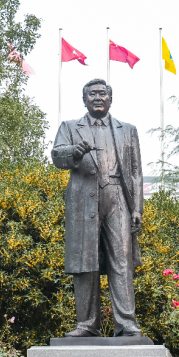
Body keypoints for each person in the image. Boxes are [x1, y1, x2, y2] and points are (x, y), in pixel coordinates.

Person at [51, 79, 144, 337]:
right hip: (84, 200)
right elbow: (57, 156)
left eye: (103, 93)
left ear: (110, 99)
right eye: (92, 94)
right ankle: (87, 325)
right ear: (85, 100)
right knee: (85, 262)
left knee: (121, 260)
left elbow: (136, 172)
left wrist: (137, 208)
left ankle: (126, 324)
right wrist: (74, 152)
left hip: (118, 198)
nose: (98, 97)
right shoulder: (70, 127)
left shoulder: (127, 130)